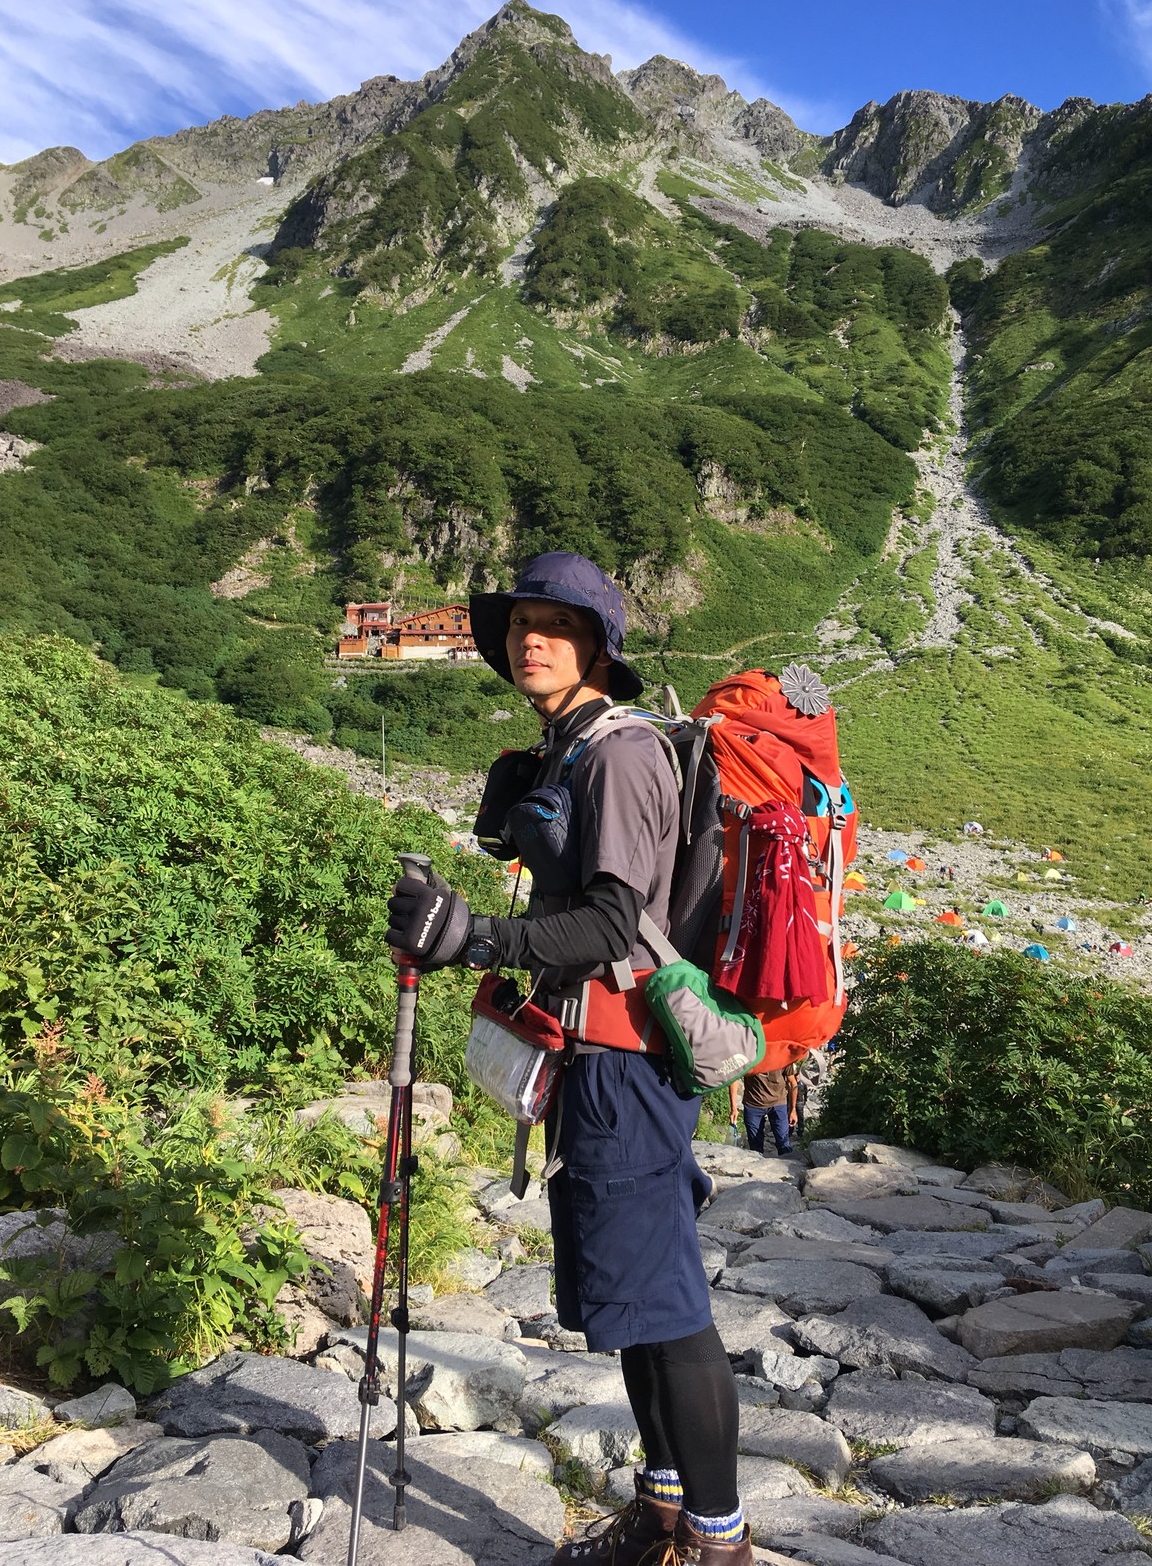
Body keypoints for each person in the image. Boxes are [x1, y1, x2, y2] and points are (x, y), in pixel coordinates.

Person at [385, 552, 752, 1565]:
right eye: (518, 625)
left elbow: (609, 925)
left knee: (668, 1307)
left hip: (626, 1064)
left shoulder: (621, 755)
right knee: (634, 1299)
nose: (529, 641)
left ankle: (720, 1544)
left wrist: (474, 938)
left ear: (598, 646)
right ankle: (664, 1515)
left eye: (555, 625)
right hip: (590, 1061)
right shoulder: (568, 748)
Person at [728, 1065, 798, 1155]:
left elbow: (792, 1082)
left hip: (778, 1103)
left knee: (783, 1143)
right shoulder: (749, 1057)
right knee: (755, 1146)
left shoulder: (782, 1057)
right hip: (753, 1103)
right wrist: (733, 1108)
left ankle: (787, 1162)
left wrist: (793, 1109)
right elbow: (734, 1078)